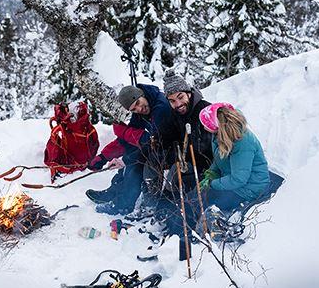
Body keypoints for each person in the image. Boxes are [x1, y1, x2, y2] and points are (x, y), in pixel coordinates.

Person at [161, 103, 281, 246]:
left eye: (204, 124)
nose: (202, 127)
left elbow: (239, 179)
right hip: (233, 181)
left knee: (203, 199)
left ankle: (181, 238)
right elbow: (219, 162)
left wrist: (212, 184)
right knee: (195, 194)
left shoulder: (243, 142)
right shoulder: (218, 135)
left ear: (213, 125)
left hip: (248, 188)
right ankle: (176, 230)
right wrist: (211, 174)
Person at [85, 84, 172, 215]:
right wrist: (103, 157)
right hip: (157, 146)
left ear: (141, 94)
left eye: (138, 103)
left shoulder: (160, 107)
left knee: (134, 163)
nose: (139, 109)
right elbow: (127, 140)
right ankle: (114, 192)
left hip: (172, 147)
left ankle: (123, 204)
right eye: (134, 109)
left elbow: (152, 140)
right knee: (130, 153)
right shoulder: (142, 110)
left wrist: (127, 157)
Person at [146, 75, 214, 204]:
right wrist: (159, 146)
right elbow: (168, 136)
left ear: (188, 93)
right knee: (153, 161)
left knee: (176, 176)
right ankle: (153, 202)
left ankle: (172, 207)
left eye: (180, 97)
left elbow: (209, 146)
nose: (178, 104)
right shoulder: (176, 114)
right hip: (186, 158)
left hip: (206, 165)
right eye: (172, 101)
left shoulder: (205, 111)